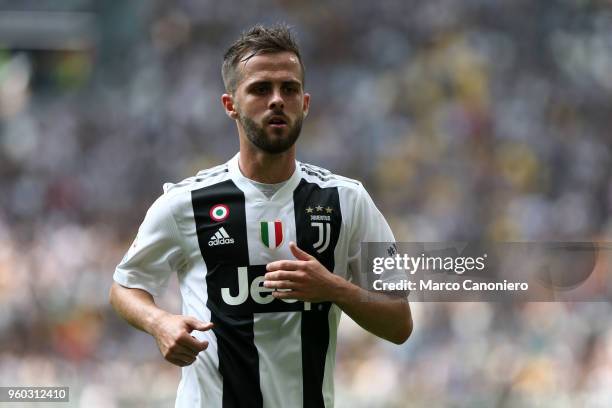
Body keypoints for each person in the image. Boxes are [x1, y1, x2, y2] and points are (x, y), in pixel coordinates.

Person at [109, 23, 412, 408]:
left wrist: (334, 288)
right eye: (260, 89)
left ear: (305, 103)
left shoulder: (347, 200)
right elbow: (124, 286)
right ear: (230, 104)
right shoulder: (185, 203)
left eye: (289, 88)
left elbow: (400, 323)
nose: (277, 100)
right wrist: (159, 323)